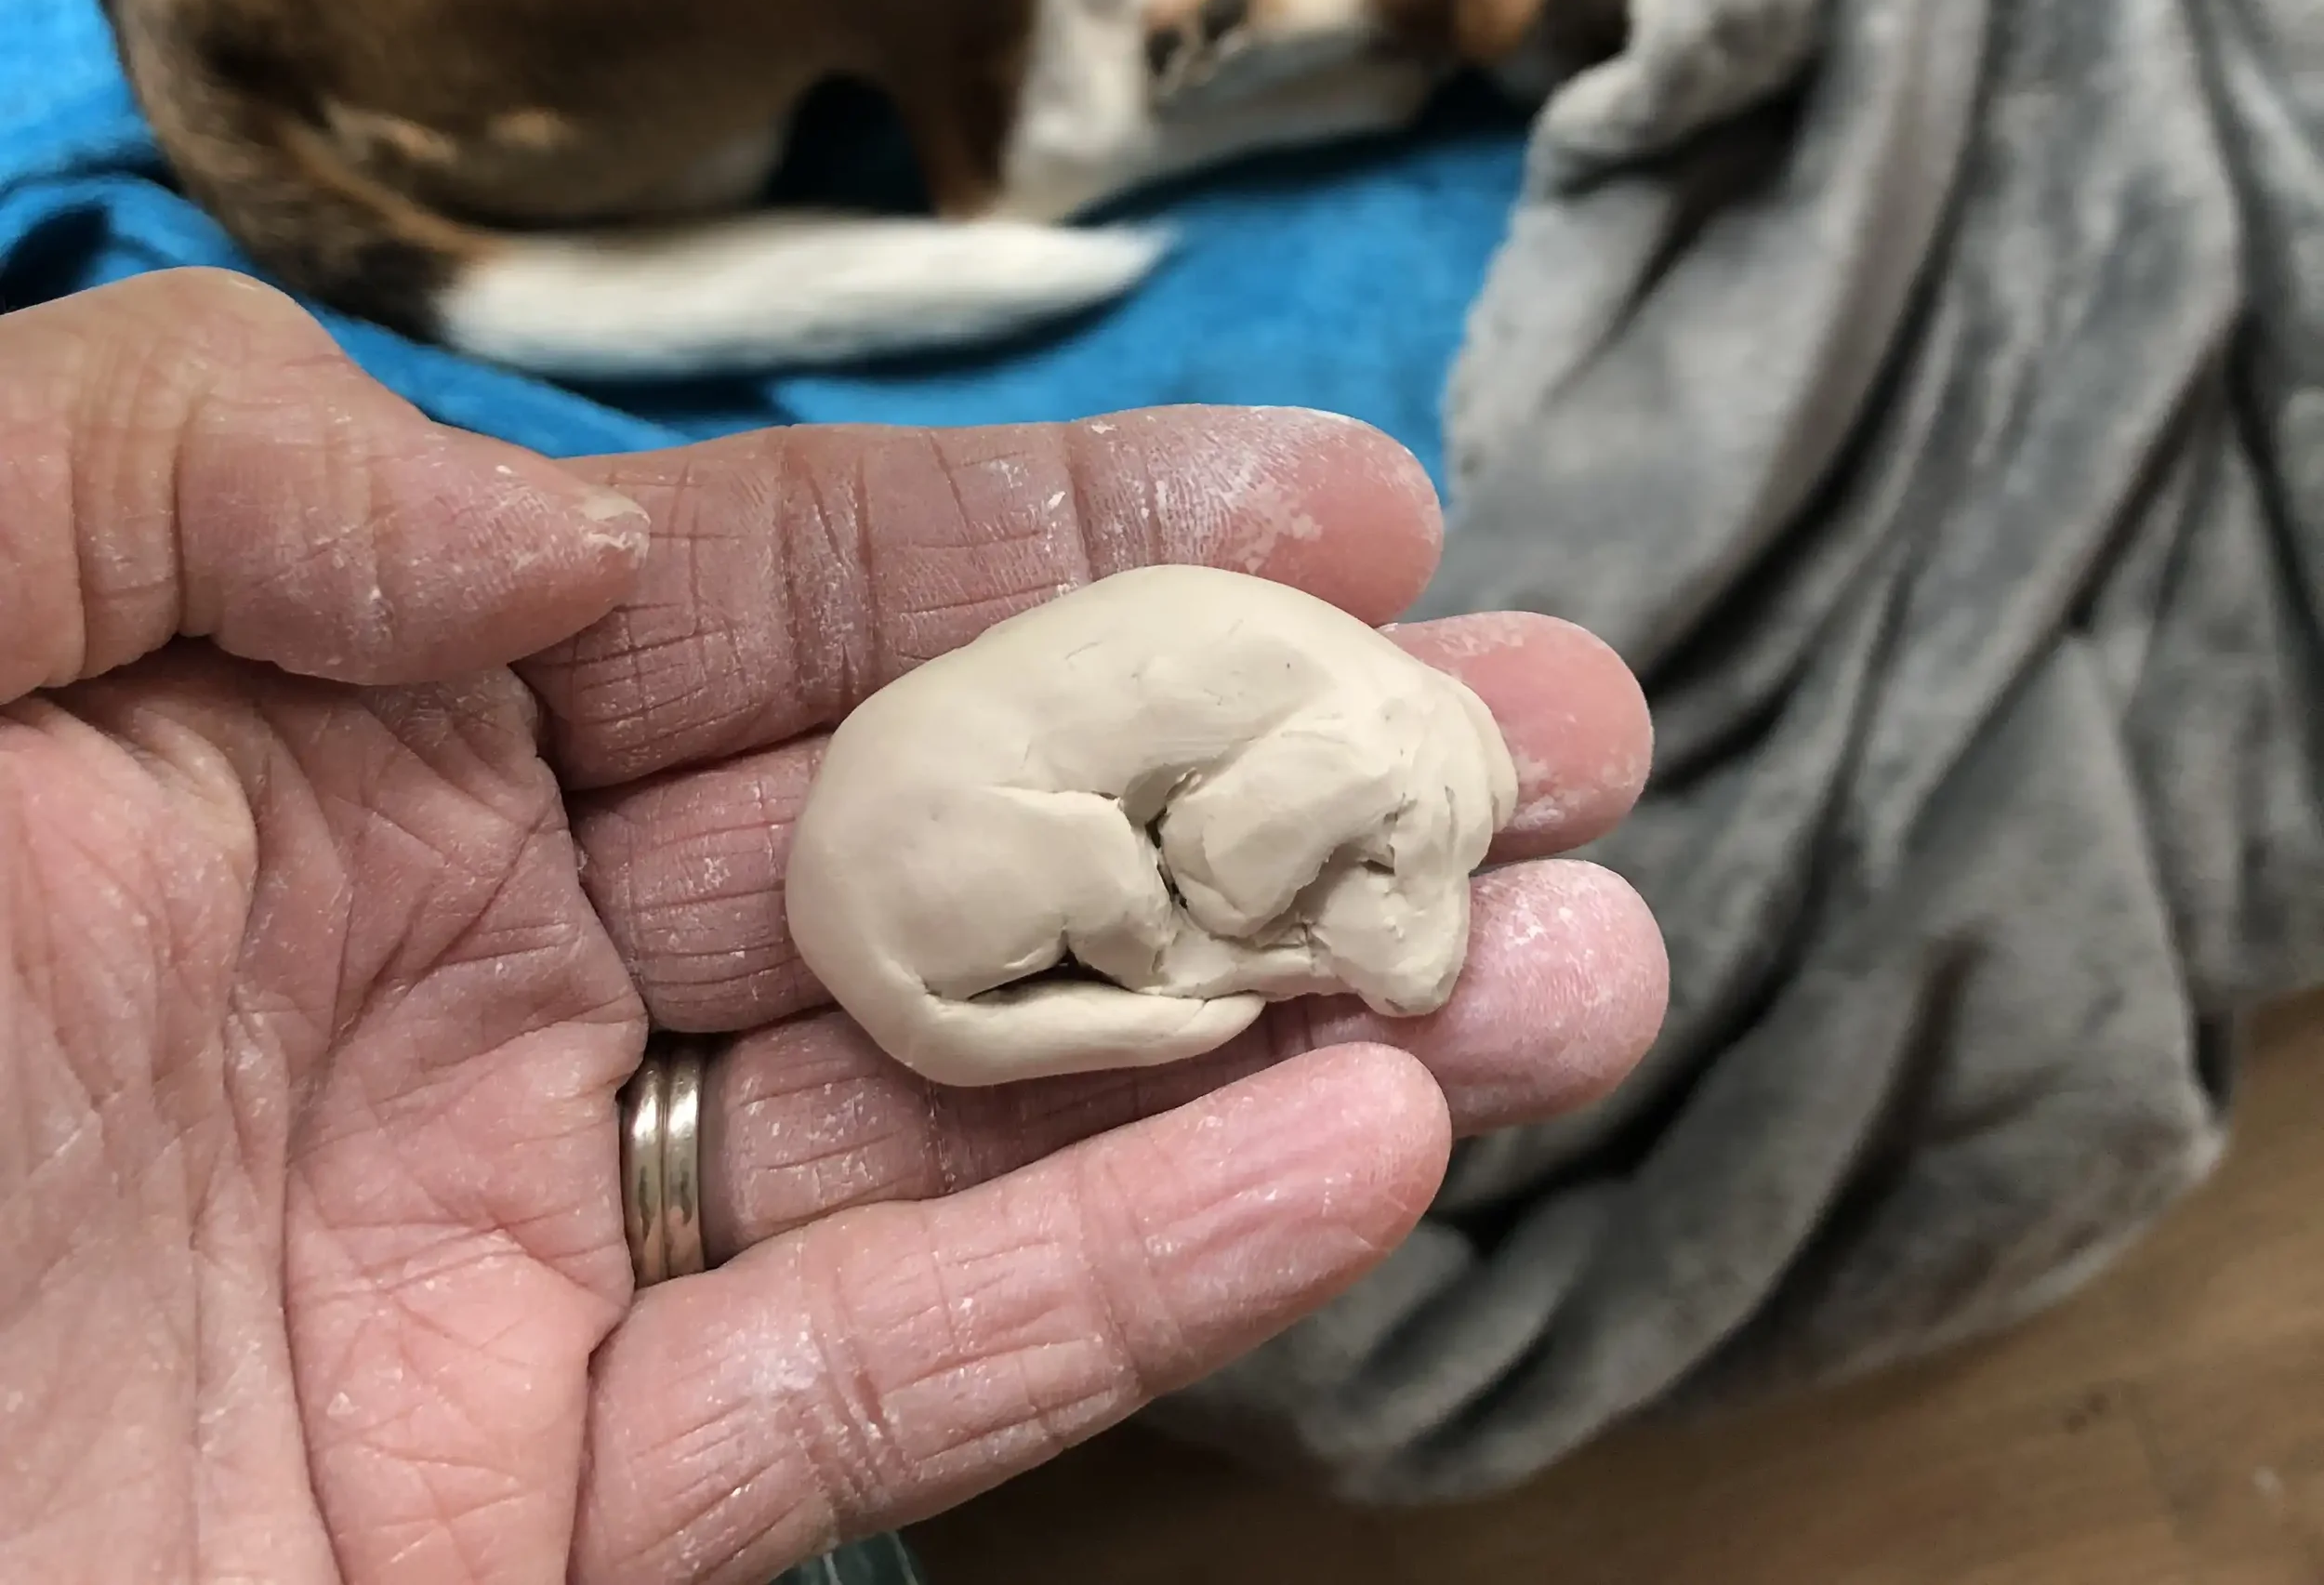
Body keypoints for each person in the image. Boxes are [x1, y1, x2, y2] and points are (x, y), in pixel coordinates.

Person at [0, 269, 1665, 1585]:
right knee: (1124, 906)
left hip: (927, 863)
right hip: (956, 864)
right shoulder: (1324, 750)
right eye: (1396, 879)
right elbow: (1227, 866)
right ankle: (1129, 988)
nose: (1410, 934)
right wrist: (1230, 954)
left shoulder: (1373, 733)